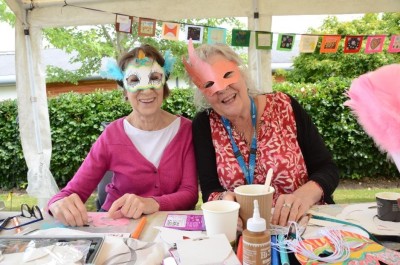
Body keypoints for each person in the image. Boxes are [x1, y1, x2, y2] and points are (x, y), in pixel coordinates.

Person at [183, 40, 339, 227]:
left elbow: (328, 169)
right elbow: (210, 190)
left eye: (227, 74)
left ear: (241, 72)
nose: (222, 89)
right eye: (209, 83)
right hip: (247, 232)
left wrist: (302, 197)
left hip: (304, 225)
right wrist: (223, 200)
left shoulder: (285, 106)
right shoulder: (204, 124)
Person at [48, 44, 198, 226]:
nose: (147, 90)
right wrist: (57, 204)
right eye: (134, 80)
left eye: (154, 78)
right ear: (125, 89)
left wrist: (153, 203)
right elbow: (73, 191)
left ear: (164, 83)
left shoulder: (186, 130)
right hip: (118, 227)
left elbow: (189, 194)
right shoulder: (112, 135)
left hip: (168, 228)